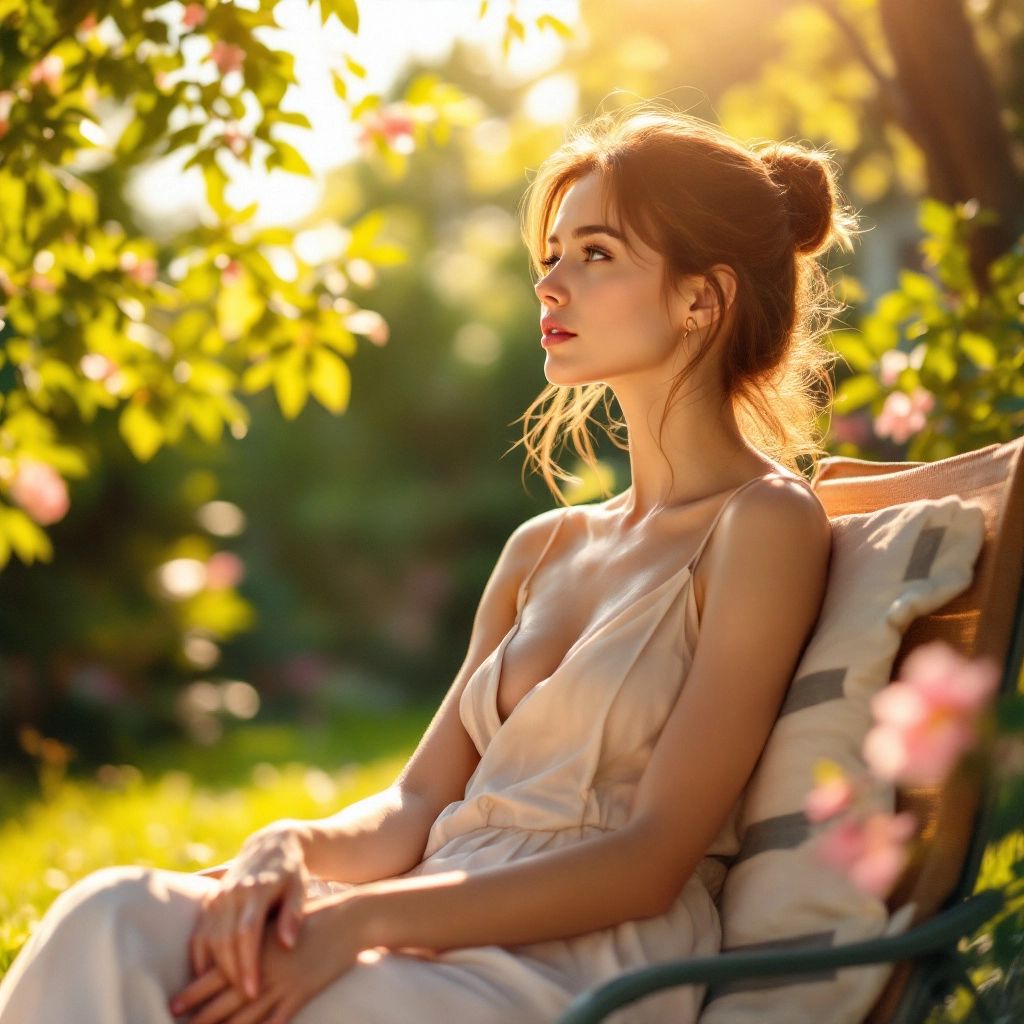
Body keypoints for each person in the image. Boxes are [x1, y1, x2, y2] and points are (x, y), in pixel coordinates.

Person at [0, 101, 857, 1024]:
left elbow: (649, 860)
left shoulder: (763, 524)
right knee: (111, 915)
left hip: (581, 960)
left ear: (703, 297)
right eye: (551, 256)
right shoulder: (546, 547)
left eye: (595, 253)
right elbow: (414, 804)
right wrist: (285, 847)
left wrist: (360, 922)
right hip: (435, 902)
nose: (551, 284)